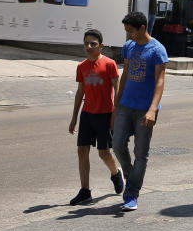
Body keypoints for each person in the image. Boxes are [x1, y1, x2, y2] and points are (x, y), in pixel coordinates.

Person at [112, 11, 167, 212]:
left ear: (142, 28)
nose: (128, 35)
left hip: (145, 109)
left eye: (130, 31)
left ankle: (132, 193)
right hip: (126, 105)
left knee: (141, 153)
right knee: (117, 144)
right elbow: (125, 74)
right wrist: (116, 103)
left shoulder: (157, 50)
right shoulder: (129, 47)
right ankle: (130, 176)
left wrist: (152, 110)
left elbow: (160, 81)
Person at [68, 29, 124, 206]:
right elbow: (79, 93)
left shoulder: (109, 64)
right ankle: (85, 191)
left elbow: (118, 90)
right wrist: (74, 118)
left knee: (103, 153)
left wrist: (116, 115)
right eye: (86, 43)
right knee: (82, 151)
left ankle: (116, 173)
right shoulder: (81, 66)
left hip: (105, 115)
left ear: (101, 46)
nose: (88, 46)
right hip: (87, 115)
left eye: (93, 43)